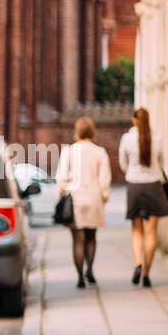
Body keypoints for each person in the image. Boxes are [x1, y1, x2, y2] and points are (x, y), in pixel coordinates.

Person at [55, 116, 112, 289]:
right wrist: (104, 197)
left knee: (77, 240)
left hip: (76, 199)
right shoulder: (100, 152)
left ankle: (80, 276)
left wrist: (62, 193)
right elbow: (105, 179)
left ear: (77, 131)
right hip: (94, 198)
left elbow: (61, 177)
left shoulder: (69, 151)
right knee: (91, 237)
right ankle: (90, 270)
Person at [118, 107, 168, 288]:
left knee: (137, 230)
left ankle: (138, 263)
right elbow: (161, 164)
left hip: (135, 186)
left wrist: (133, 172)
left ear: (134, 121)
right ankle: (147, 274)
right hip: (154, 186)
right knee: (151, 232)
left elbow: (123, 164)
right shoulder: (158, 139)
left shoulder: (126, 138)